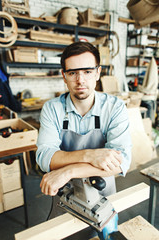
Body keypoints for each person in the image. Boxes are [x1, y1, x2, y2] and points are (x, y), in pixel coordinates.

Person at [36, 41, 132, 197]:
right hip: (64, 191)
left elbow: (121, 161)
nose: (80, 80)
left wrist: (69, 171)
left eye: (87, 71)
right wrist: (90, 155)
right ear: (64, 76)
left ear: (98, 73)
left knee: (106, 220)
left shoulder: (115, 107)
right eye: (73, 73)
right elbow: (45, 157)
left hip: (102, 189)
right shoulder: (52, 109)